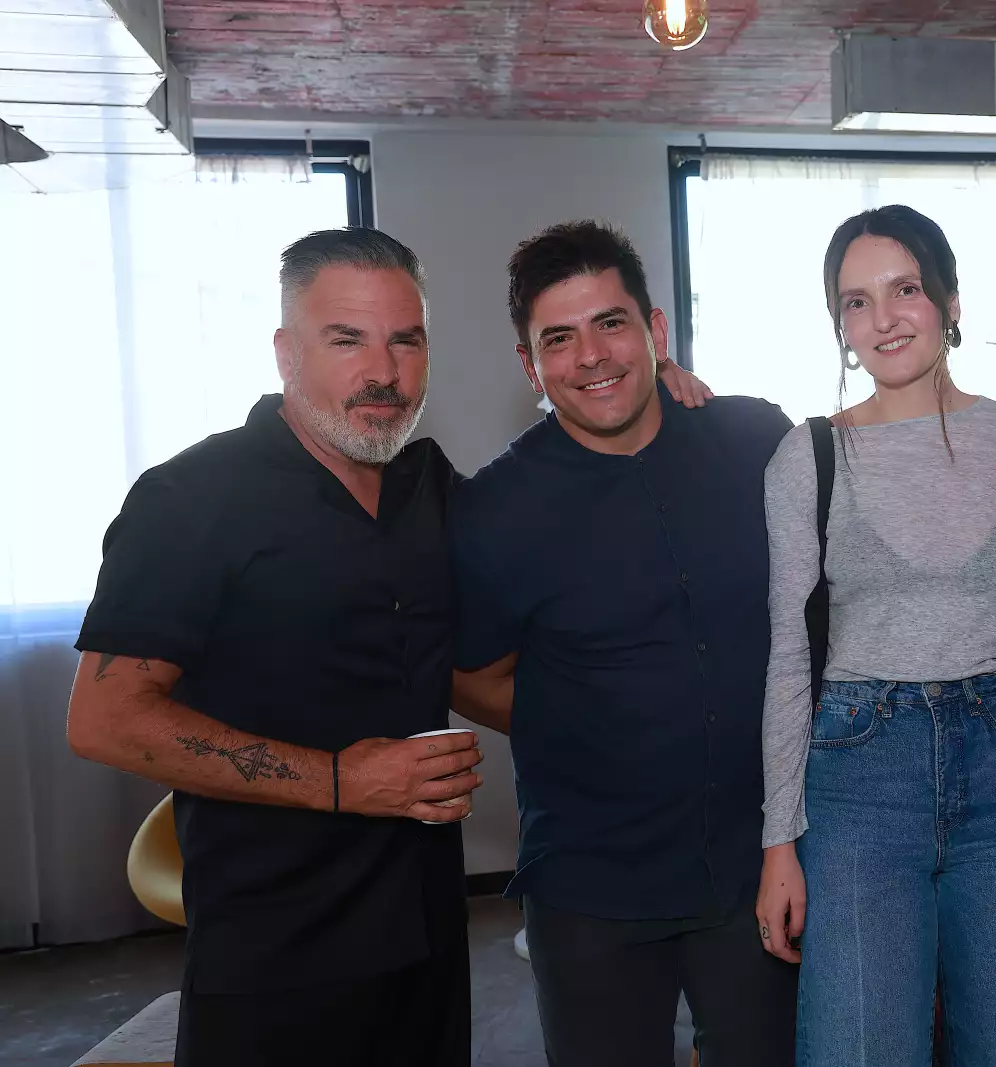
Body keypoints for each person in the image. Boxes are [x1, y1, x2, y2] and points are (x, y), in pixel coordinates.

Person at [66, 228, 485, 1067]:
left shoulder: (430, 487)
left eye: (406, 339)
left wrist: (655, 409)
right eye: (346, 339)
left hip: (429, 934)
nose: (384, 370)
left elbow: (486, 651)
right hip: (276, 953)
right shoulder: (191, 497)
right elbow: (104, 719)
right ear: (286, 352)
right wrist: (341, 780)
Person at [449, 220, 798, 1066]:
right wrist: (583, 722)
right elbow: (468, 674)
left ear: (657, 331)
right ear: (531, 366)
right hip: (591, 884)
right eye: (558, 339)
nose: (592, 356)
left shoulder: (756, 441)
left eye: (611, 322)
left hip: (758, 864)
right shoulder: (495, 507)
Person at [757, 205, 996, 1066]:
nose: (884, 317)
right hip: (861, 777)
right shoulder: (808, 456)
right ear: (839, 325)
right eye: (856, 302)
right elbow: (788, 655)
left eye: (905, 290)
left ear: (951, 302)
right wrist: (778, 842)